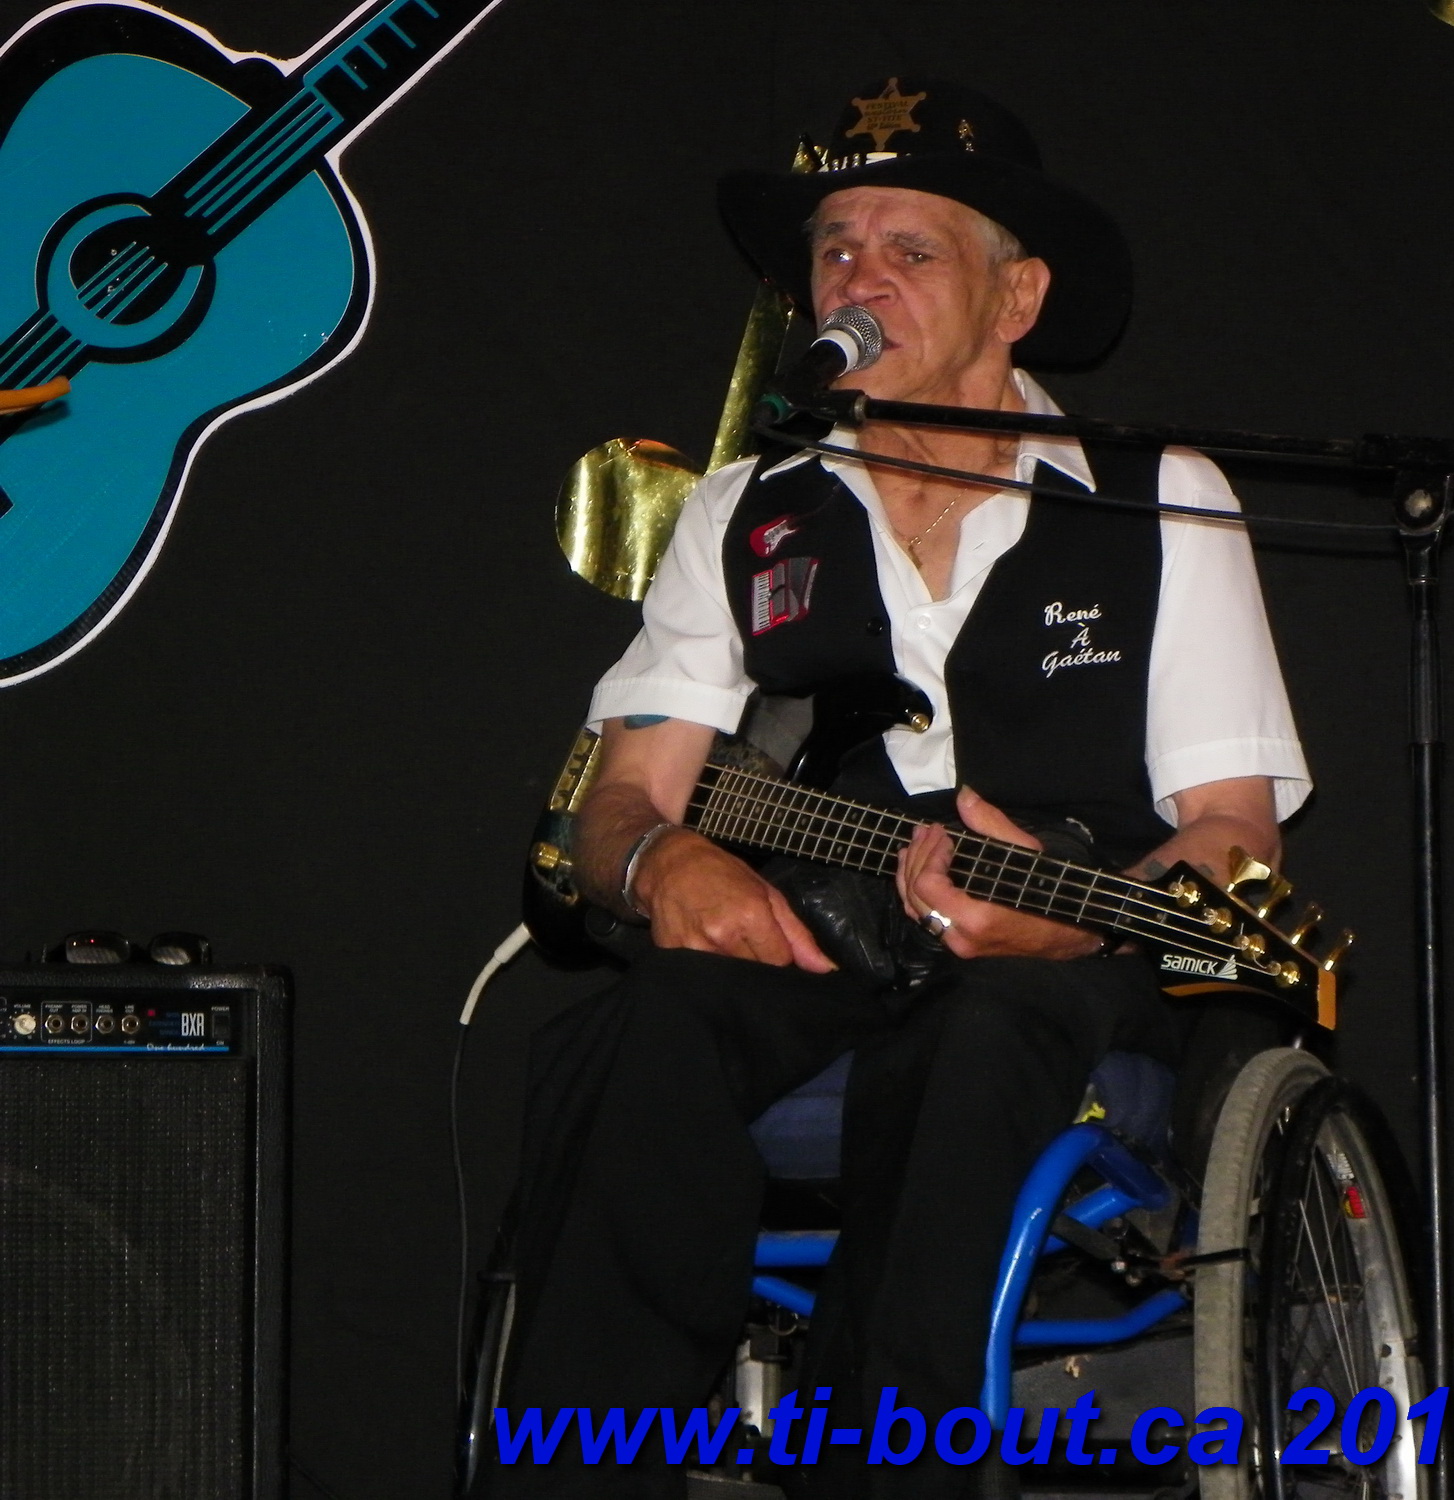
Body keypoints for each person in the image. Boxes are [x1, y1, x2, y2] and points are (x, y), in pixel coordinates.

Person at [484, 78, 1310, 1498]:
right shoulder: (748, 510)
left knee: (976, 1038)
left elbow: (1235, 837)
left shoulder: (1160, 496)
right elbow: (622, 798)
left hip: (1079, 954)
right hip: (830, 944)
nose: (858, 279)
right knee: (641, 1027)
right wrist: (658, 862)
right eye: (835, 249)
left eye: (909, 250)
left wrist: (1076, 917)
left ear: (1018, 296)